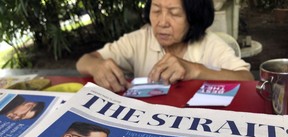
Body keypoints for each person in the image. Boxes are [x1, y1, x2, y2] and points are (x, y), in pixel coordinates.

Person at [76, 0, 254, 93]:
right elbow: (83, 61)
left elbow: (247, 79)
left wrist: (196, 71)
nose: (162, 23)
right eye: (156, 11)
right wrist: (97, 66)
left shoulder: (210, 44)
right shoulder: (139, 40)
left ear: (194, 18)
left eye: (174, 14)